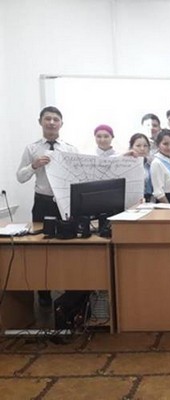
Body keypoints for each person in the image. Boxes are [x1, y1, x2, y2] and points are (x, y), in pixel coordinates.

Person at [16, 106, 78, 307]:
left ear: (61, 123)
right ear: (40, 122)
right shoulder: (32, 148)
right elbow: (20, 177)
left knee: (69, 246)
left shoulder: (70, 149)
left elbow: (79, 176)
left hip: (65, 203)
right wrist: (33, 165)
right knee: (41, 248)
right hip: (43, 202)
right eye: (48, 119)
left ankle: (71, 291)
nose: (51, 122)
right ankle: (43, 292)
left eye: (55, 119)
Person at [128, 133, 153, 202]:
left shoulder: (150, 164)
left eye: (145, 146)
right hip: (132, 200)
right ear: (131, 147)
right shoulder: (126, 165)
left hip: (149, 200)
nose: (142, 149)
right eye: (138, 146)